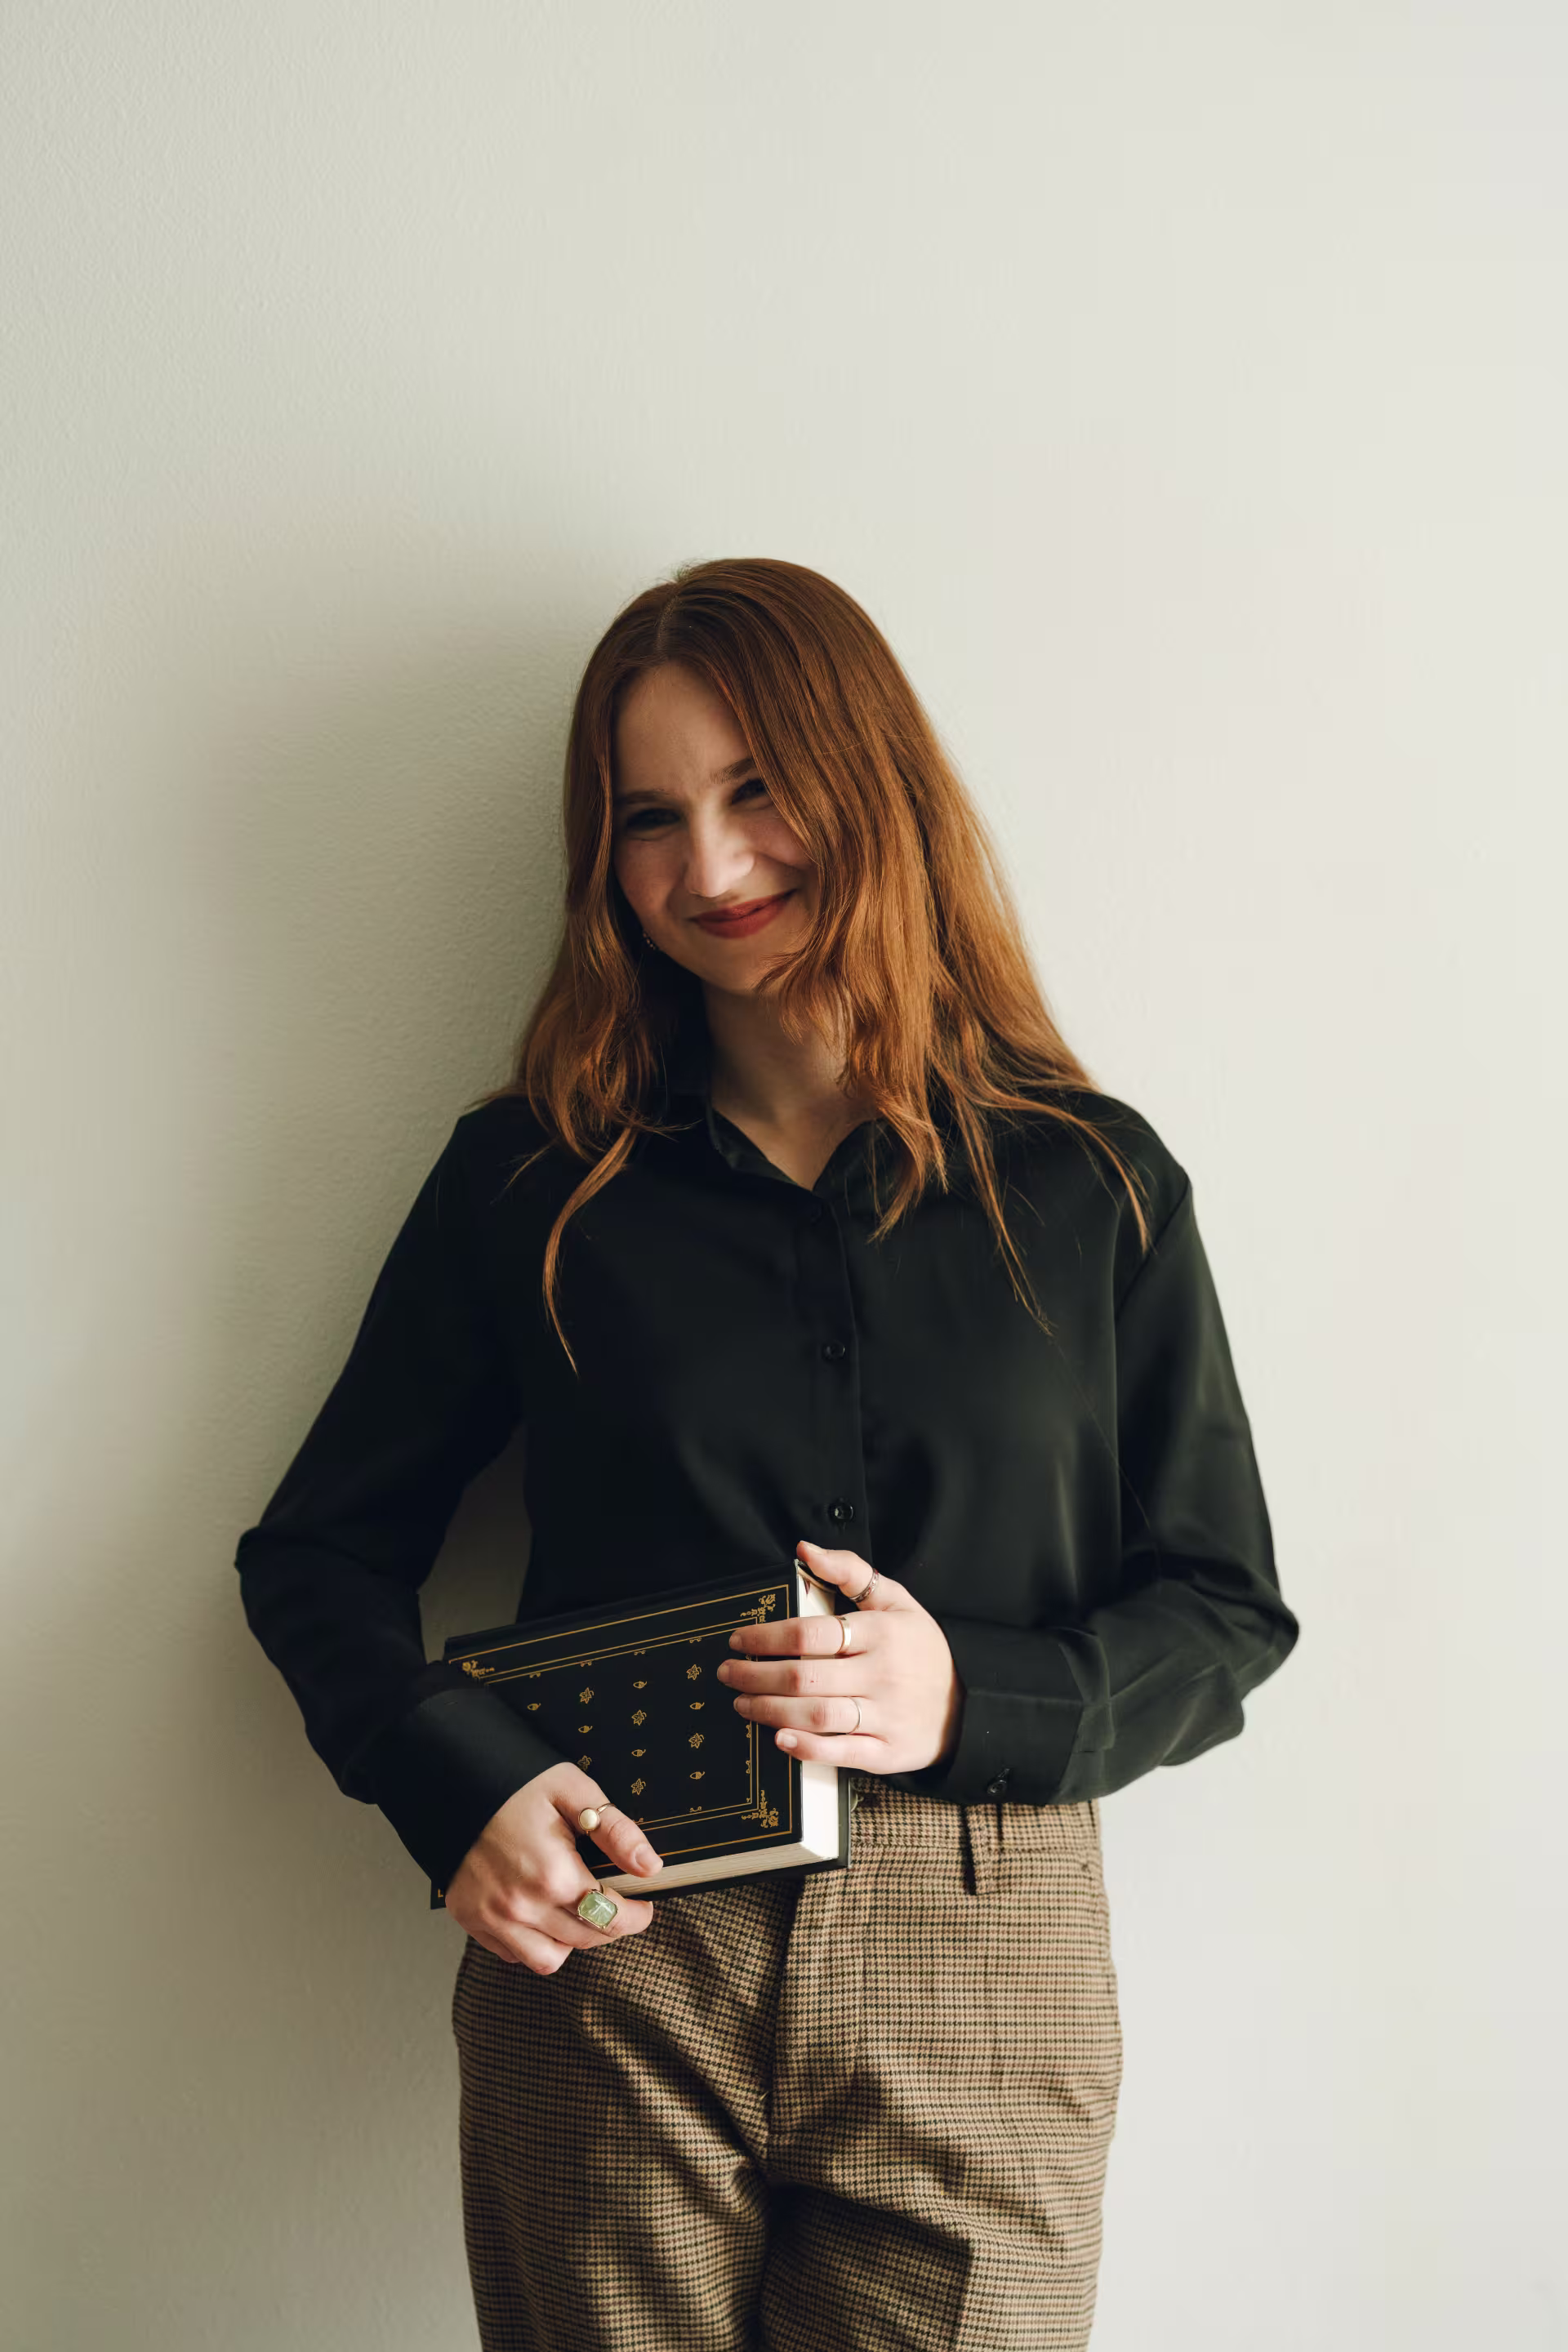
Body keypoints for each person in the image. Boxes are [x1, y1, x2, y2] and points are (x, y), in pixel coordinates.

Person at [235, 556, 1298, 2352]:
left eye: (753, 791)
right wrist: (454, 1780)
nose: (707, 871)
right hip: (618, 1943)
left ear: (867, 778)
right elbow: (318, 1556)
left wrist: (970, 1689)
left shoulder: (1090, 1179)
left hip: (989, 1955)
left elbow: (1224, 1612)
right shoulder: (529, 1183)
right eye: (648, 818)